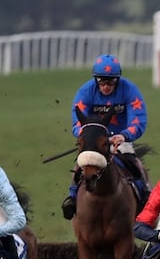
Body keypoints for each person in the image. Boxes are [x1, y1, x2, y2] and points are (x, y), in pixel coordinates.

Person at [62, 54, 150, 220]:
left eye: (110, 82)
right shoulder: (85, 92)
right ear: (96, 80)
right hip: (95, 140)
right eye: (102, 81)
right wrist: (89, 137)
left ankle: (145, 195)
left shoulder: (130, 90)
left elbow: (138, 119)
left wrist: (124, 135)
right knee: (81, 164)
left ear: (117, 80)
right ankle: (72, 197)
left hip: (120, 138)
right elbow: (77, 122)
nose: (106, 86)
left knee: (133, 162)